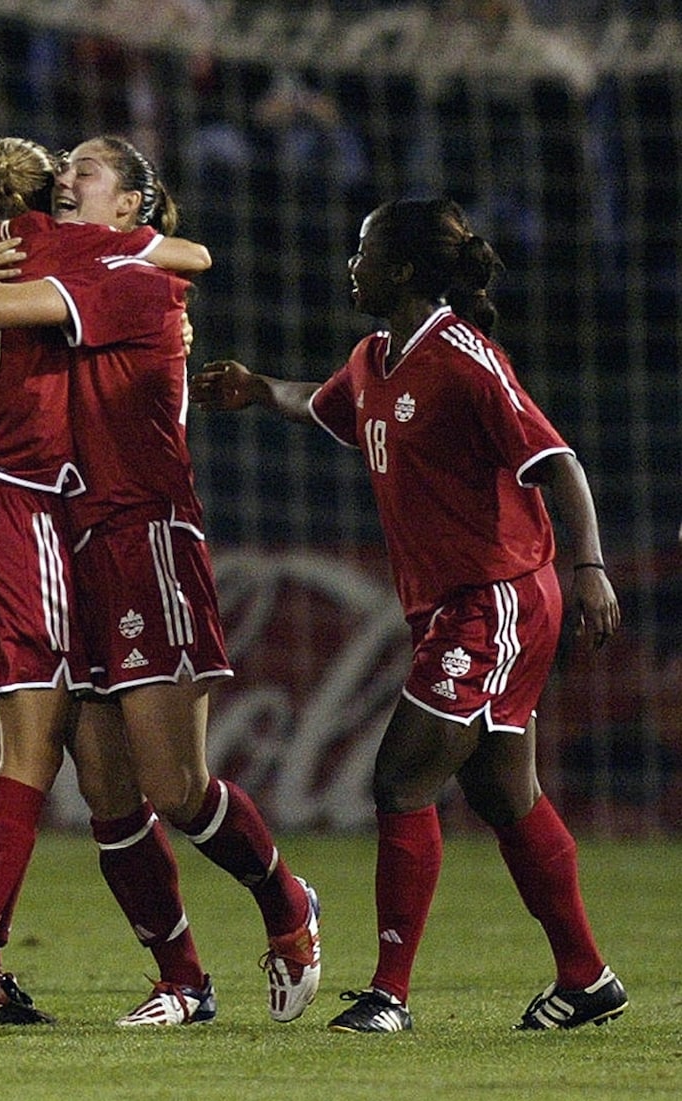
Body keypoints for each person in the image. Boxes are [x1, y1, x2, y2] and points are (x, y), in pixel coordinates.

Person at [0, 134, 321, 1028]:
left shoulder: (124, 272)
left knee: (174, 784)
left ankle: (288, 904)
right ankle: (182, 980)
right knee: (104, 789)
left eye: (85, 171)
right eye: (61, 171)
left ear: (130, 206)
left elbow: (183, 256)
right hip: (73, 540)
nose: (66, 179)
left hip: (145, 535)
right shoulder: (79, 265)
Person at [191, 197, 627, 1034]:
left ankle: (388, 994)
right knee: (504, 794)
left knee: (399, 778)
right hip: (451, 605)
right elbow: (322, 406)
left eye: (362, 249)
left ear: (398, 269)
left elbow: (558, 460)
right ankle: (587, 978)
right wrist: (254, 391)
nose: (349, 262)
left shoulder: (465, 357)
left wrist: (592, 568)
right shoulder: (373, 358)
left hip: (496, 597)